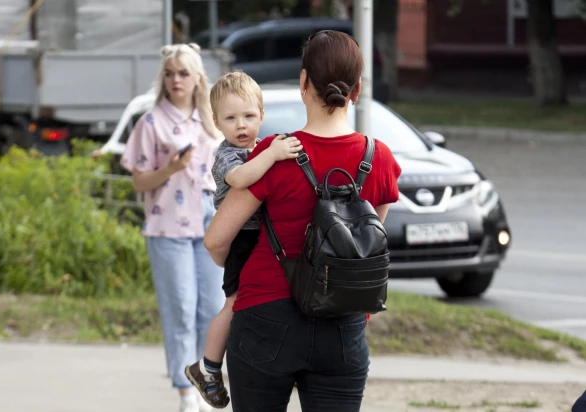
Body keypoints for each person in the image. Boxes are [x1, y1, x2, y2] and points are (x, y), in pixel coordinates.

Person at [203, 30, 402, 412]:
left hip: (265, 316)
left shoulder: (275, 154)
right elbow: (370, 249)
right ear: (356, 89)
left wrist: (233, 270)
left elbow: (216, 240)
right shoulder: (380, 159)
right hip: (342, 324)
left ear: (303, 83)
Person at [185, 71, 302, 408]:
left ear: (261, 116)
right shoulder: (227, 155)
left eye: (249, 116)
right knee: (234, 303)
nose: (241, 125)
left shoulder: (259, 149)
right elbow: (240, 180)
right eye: (231, 118)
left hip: (261, 234)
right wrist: (272, 154)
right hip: (240, 236)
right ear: (217, 123)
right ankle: (207, 368)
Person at [120, 43, 224, 412]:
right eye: (169, 73)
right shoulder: (151, 123)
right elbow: (138, 182)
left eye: (183, 72)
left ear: (197, 77)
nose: (176, 79)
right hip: (167, 228)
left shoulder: (211, 120)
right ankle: (184, 390)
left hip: (210, 226)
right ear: (162, 79)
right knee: (180, 308)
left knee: (211, 308)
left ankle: (203, 380)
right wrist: (171, 170)